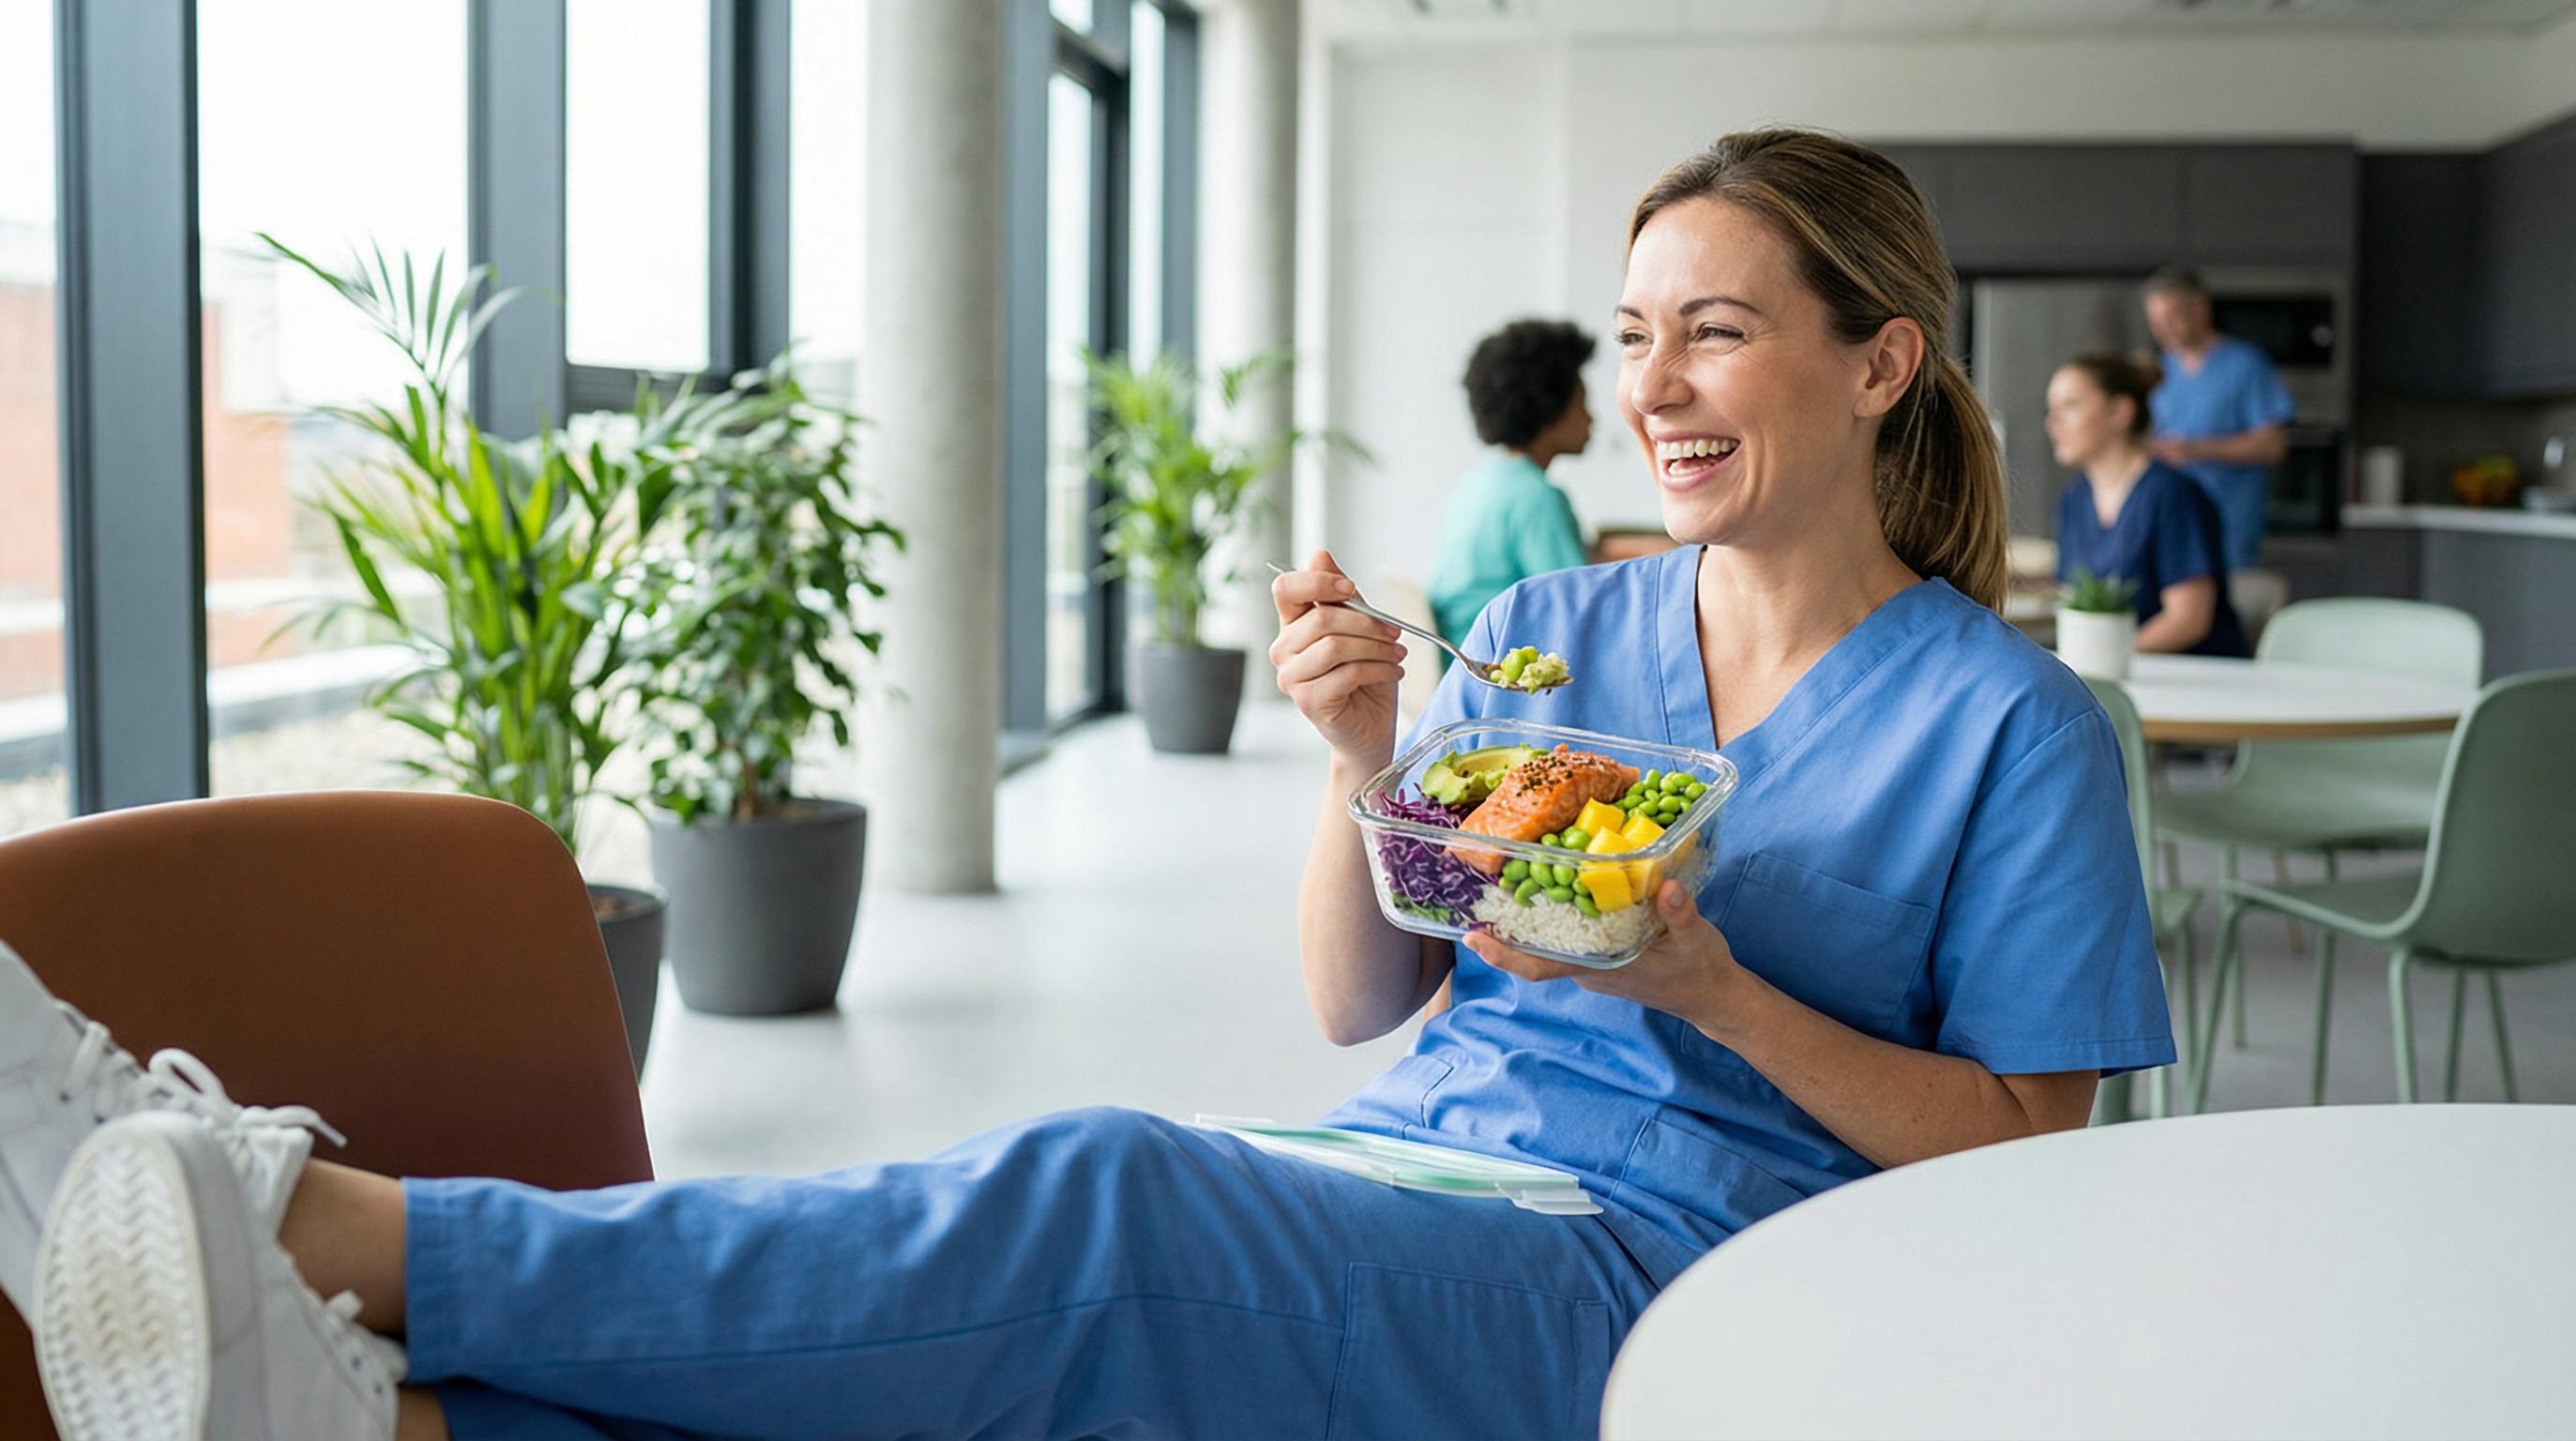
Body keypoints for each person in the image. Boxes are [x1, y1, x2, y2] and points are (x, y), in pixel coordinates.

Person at [0, 129, 2173, 1441]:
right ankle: (381, 1418)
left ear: (1877, 359)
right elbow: (1360, 1004)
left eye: (1714, 331)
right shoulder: (1552, 630)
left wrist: (1710, 994)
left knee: (1103, 1195)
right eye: (1632, 335)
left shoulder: (2014, 732)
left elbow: (2019, 1148)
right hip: (1416, 1154)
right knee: (976, 1354)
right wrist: (1359, 760)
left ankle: (336, 1229)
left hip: (1672, 1258)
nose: (1655, 388)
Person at [2048, 353, 2248, 657]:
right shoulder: (2074, 500)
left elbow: (2189, 620)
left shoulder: (2173, 495)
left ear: (2119, 412)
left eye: (2070, 406)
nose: (2053, 423)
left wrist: (2104, 659)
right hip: (2116, 677)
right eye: (2051, 410)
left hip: (2193, 682)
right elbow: (2073, 602)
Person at [1424, 319, 1595, 646]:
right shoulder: (1538, 497)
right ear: (1550, 407)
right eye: (1582, 403)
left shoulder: (1481, 482)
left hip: (1454, 655)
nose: (1591, 418)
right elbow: (1578, 606)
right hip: (1492, 665)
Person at [2141, 266, 2296, 572]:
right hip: (2173, 520)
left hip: (2229, 522)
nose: (2162, 330)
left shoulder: (2246, 365)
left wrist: (2193, 450)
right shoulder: (2160, 370)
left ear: (2200, 308)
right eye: (2156, 322)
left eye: (2171, 317)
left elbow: (2273, 446)